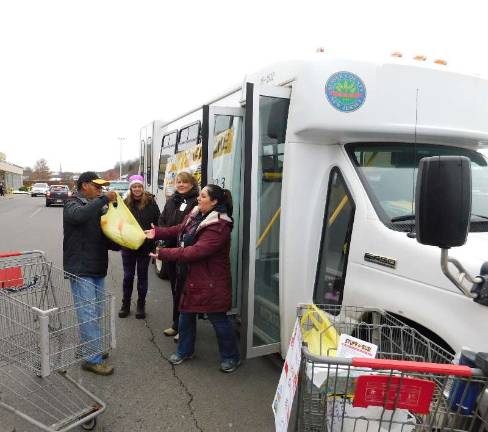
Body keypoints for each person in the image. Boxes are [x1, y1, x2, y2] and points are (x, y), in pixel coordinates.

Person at [146, 184, 240, 373]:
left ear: (214, 202)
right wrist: (157, 232)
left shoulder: (220, 225)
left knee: (218, 319)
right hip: (192, 276)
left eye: (203, 196)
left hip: (210, 281)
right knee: (185, 315)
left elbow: (196, 251)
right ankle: (184, 351)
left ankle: (231, 357)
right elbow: (179, 229)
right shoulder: (197, 214)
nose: (198, 198)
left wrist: (164, 253)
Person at [63, 171, 117, 376]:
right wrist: (104, 199)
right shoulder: (73, 204)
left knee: (95, 312)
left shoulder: (99, 208)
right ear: (85, 185)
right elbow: (78, 217)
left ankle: (90, 348)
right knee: (87, 314)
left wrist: (122, 241)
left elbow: (106, 236)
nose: (101, 190)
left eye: (102, 188)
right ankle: (92, 359)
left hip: (97, 267)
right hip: (81, 268)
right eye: (97, 186)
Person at [158, 171, 199, 339]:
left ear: (192, 184)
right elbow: (162, 220)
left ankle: (185, 328)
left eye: (185, 182)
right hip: (170, 249)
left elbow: (189, 227)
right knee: (175, 289)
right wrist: (161, 235)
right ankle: (176, 324)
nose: (181, 185)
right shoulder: (172, 201)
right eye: (179, 182)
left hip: (185, 251)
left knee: (185, 291)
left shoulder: (196, 202)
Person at [118, 174, 160, 319]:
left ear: (143, 187)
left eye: (139, 186)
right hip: (128, 245)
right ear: (130, 188)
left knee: (142, 276)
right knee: (128, 276)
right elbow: (119, 222)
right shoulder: (125, 203)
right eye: (134, 186)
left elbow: (157, 222)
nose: (137, 189)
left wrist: (155, 238)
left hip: (145, 246)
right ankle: (126, 304)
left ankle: (141, 305)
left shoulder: (151, 202)